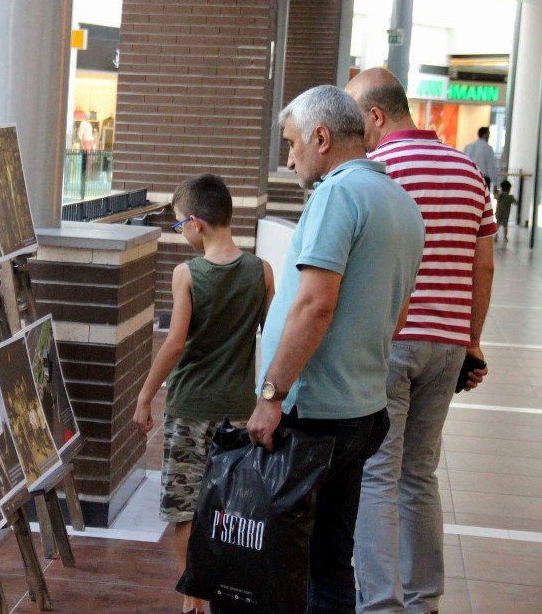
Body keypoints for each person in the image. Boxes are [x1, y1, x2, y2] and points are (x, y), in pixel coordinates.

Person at [246, 85, 425, 611]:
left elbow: (314, 305)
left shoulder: (336, 194)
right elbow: (399, 316)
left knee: (293, 560)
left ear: (321, 137)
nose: (290, 156)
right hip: (363, 408)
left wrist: (271, 394)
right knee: (329, 559)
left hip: (317, 414)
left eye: (292, 143)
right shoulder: (402, 204)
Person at [346, 67, 496, 614]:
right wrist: (472, 341)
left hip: (388, 342)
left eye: (354, 117)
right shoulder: (466, 171)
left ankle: (381, 603)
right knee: (419, 475)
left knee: (378, 474)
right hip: (448, 344)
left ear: (376, 116)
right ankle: (424, 600)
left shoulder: (375, 170)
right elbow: (483, 266)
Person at [132, 173, 274, 614]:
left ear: (197, 223)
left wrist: (143, 396)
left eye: (178, 226)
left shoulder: (187, 274)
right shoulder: (261, 271)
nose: (181, 235)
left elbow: (174, 343)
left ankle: (194, 597)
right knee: (233, 508)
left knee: (186, 505)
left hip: (190, 408)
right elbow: (270, 336)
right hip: (238, 412)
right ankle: (230, 589)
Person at [463, 126, 498, 191]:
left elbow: (463, 163)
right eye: (488, 134)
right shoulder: (488, 148)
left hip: (468, 178)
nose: (489, 136)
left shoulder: (467, 147)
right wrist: (495, 183)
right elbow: (491, 166)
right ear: (484, 134)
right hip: (482, 179)